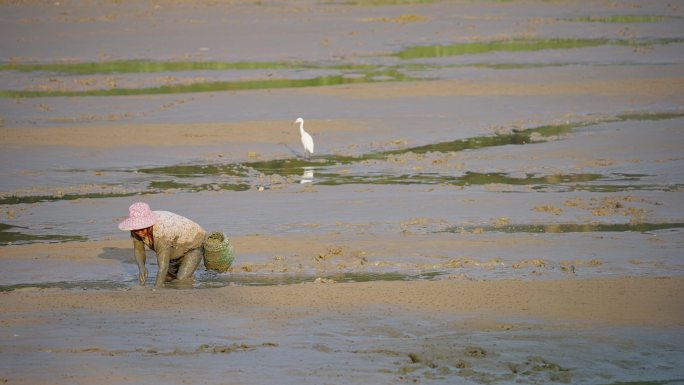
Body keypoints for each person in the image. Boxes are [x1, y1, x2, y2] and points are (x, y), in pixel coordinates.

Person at [118, 202, 206, 288]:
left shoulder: (161, 232)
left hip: (194, 242)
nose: (140, 233)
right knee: (168, 278)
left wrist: (157, 288)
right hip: (175, 244)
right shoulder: (135, 229)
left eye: (142, 229)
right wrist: (142, 267)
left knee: (181, 279)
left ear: (149, 225)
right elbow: (139, 250)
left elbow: (163, 266)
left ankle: (189, 279)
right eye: (137, 229)